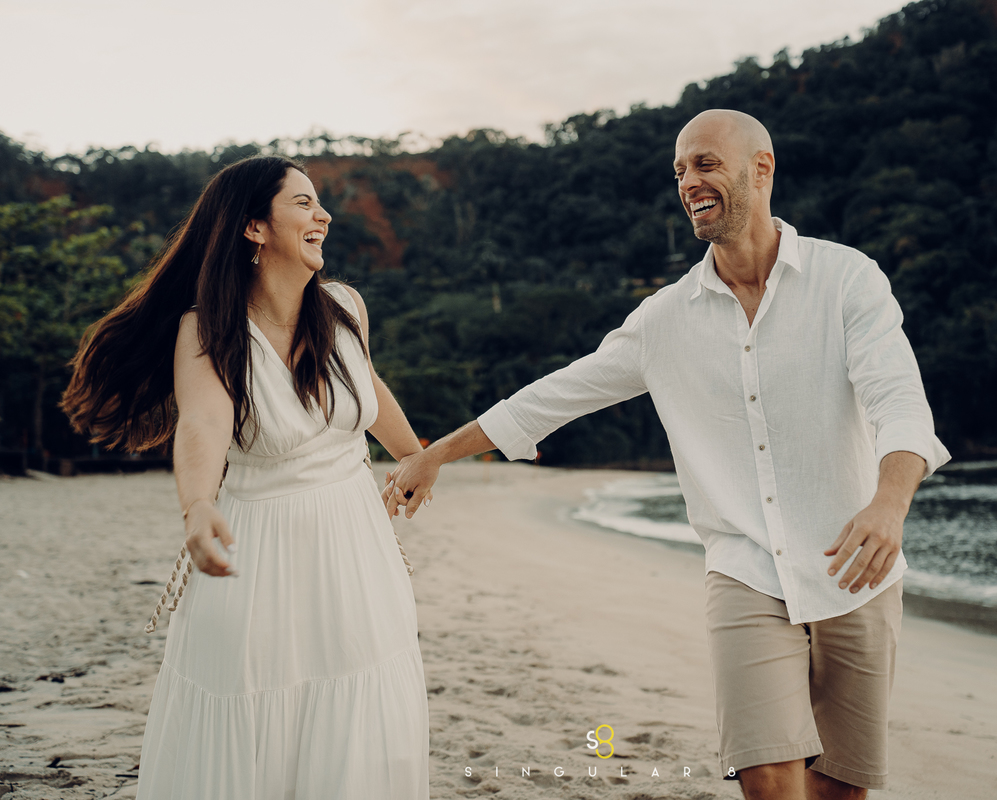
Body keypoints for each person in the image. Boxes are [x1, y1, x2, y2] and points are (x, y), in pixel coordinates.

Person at [385, 110, 950, 799]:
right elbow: (558, 395)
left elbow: (898, 398)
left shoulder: (847, 280)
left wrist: (889, 504)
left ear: (761, 168)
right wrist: (437, 452)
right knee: (769, 780)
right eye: (680, 170)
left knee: (840, 789)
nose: (688, 182)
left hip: (856, 570)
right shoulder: (664, 319)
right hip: (743, 570)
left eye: (706, 163)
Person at [61, 156, 430, 799]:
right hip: (261, 549)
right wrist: (197, 506)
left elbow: (365, 387)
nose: (323, 216)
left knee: (362, 697)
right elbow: (203, 423)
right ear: (255, 228)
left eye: (320, 204)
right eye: (304, 204)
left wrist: (417, 455)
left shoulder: (345, 307)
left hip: (355, 543)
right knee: (255, 709)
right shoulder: (207, 329)